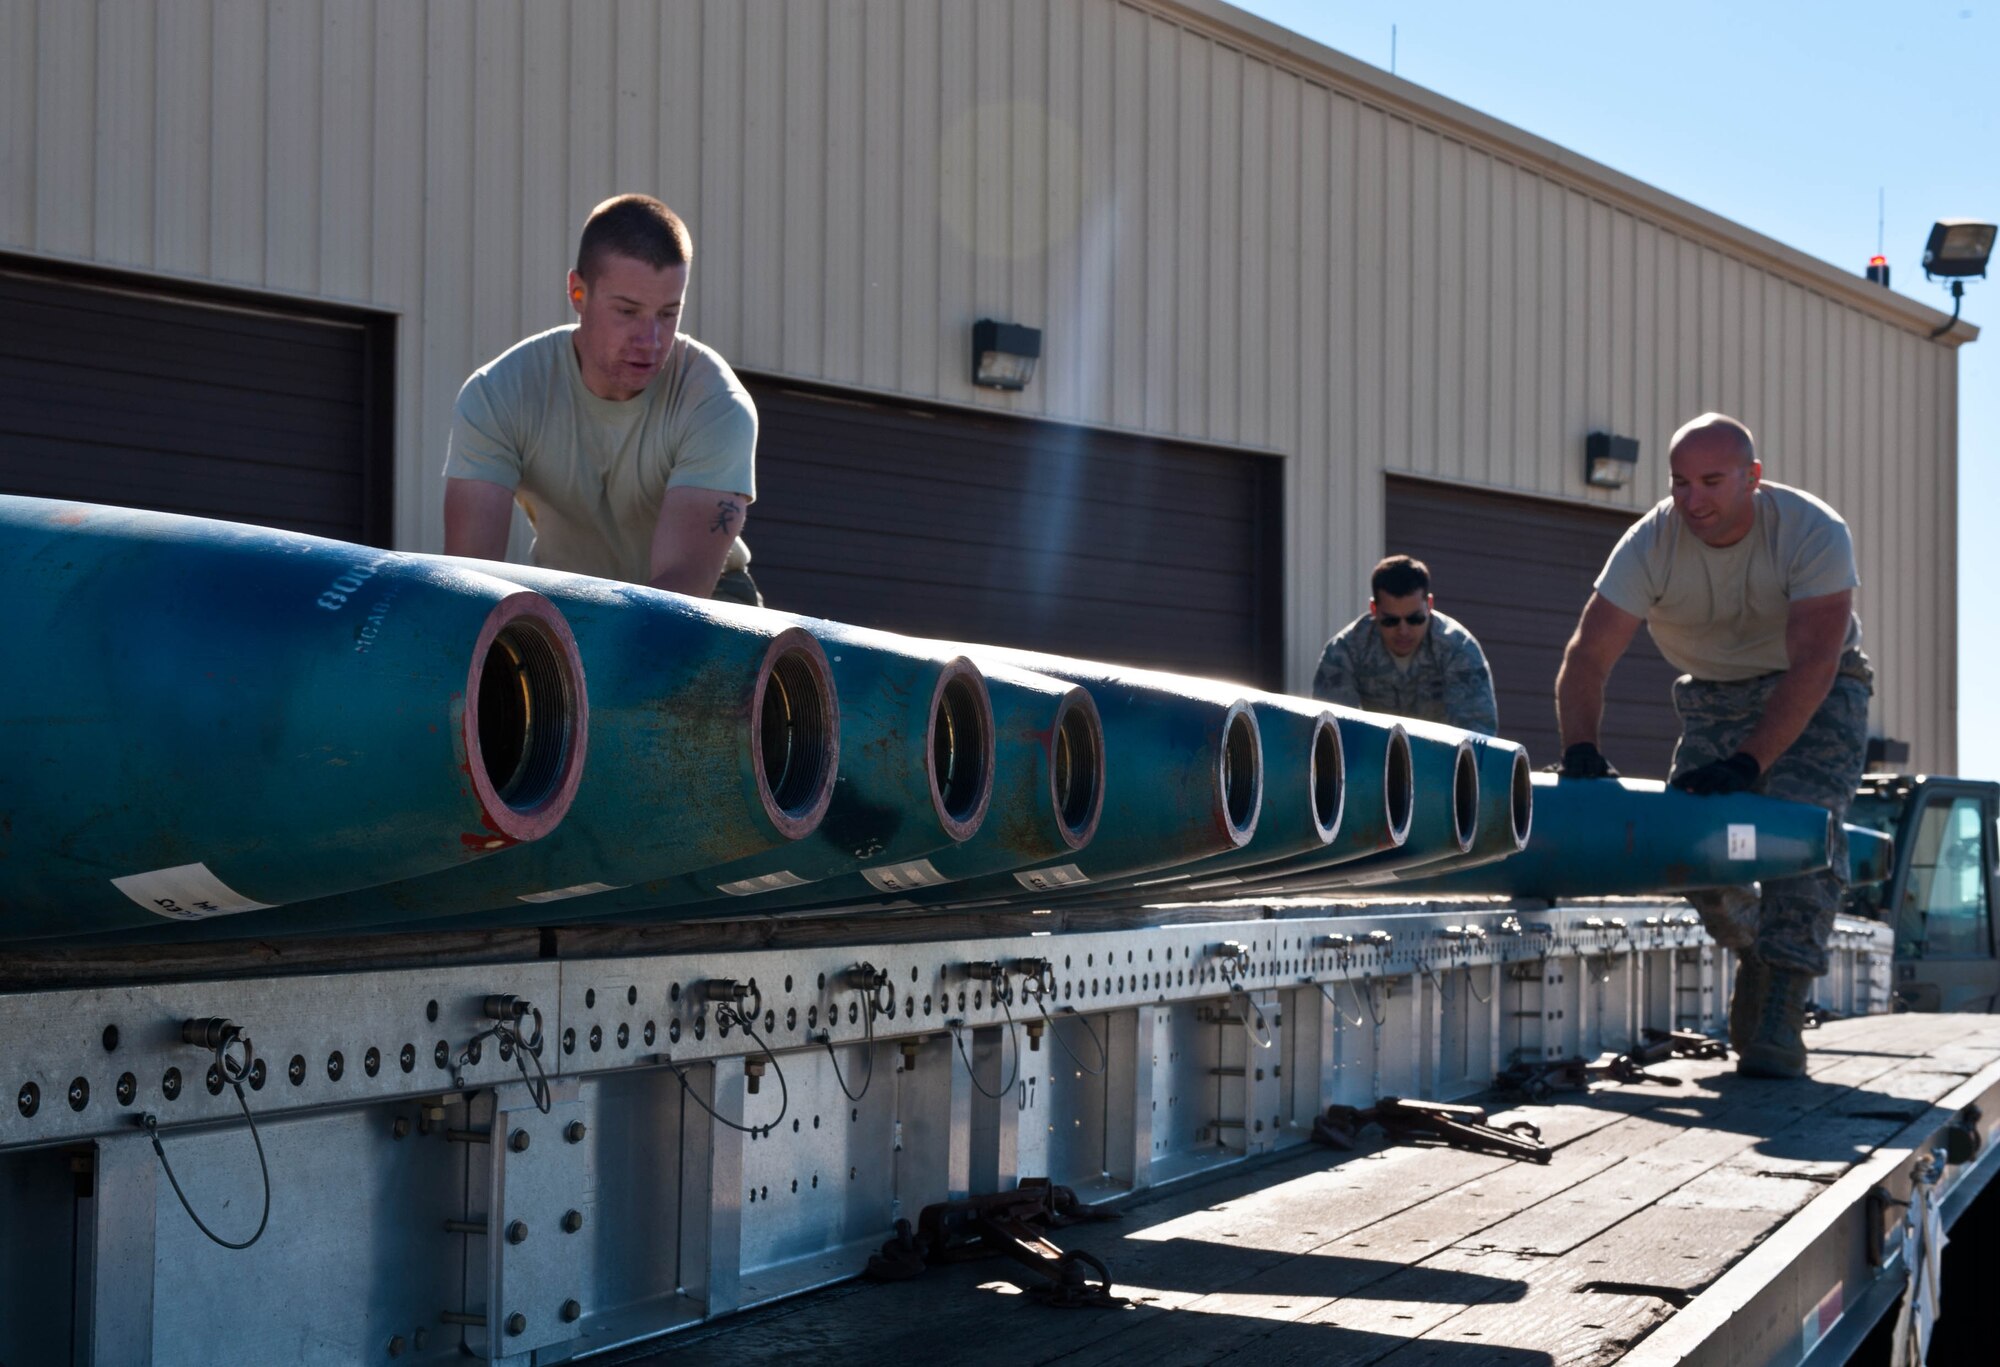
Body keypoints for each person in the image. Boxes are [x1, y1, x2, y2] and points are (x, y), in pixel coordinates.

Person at [1553, 412, 1871, 1078]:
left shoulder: (1813, 531)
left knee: (1803, 831)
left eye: (1711, 481)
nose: (1693, 500)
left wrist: (1750, 761)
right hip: (1714, 696)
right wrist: (1581, 746)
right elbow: (1588, 655)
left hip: (1818, 691)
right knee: (1692, 849)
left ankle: (1780, 1011)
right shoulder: (1652, 543)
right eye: (1679, 483)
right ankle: (1759, 948)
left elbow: (1814, 661)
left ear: (1752, 478)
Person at [443, 193, 764, 606]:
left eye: (668, 314)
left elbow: (681, 595)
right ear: (578, 292)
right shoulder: (498, 394)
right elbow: (468, 578)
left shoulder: (716, 405)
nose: (650, 342)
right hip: (567, 600)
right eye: (627, 312)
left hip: (703, 610)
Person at [1310, 555, 1499, 735]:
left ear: (1429, 604)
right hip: (1371, 761)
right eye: (1391, 621)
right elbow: (1334, 729)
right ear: (1374, 609)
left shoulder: (1459, 649)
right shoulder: (1345, 652)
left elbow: (1477, 732)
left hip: (1441, 763)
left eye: (1414, 619)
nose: (1403, 630)